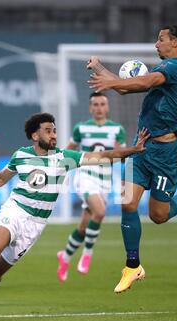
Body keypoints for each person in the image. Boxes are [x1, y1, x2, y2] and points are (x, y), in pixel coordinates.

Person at [0, 112, 148, 321]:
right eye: (48, 131)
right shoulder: (21, 155)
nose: (54, 135)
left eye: (55, 130)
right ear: (35, 136)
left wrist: (133, 150)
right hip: (15, 210)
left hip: (35, 224)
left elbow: (103, 157)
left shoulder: (65, 158)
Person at [87, 25, 177, 294]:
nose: (156, 44)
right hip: (141, 147)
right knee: (127, 202)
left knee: (158, 215)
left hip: (166, 153)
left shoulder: (176, 68)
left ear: (176, 44)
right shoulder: (163, 69)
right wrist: (99, 69)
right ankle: (133, 266)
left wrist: (108, 82)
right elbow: (125, 89)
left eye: (161, 39)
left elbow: (142, 82)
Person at [57, 92, 126, 282]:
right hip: (84, 176)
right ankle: (87, 253)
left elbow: (121, 156)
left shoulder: (117, 130)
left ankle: (65, 257)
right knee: (101, 212)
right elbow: (67, 152)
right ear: (90, 107)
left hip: (105, 180)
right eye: (95, 104)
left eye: (102, 104)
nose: (99, 108)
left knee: (83, 227)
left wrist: (118, 153)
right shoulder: (81, 128)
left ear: (107, 107)